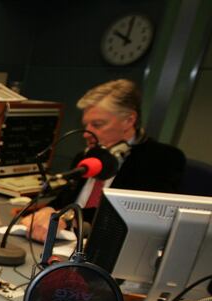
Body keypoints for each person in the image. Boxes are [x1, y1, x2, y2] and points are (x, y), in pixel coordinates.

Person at [22, 79, 186, 242]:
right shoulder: (86, 157)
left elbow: (134, 216)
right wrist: (48, 209)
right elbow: (64, 201)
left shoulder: (162, 159)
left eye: (97, 125)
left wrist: (68, 217)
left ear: (129, 121)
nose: (87, 134)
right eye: (86, 125)